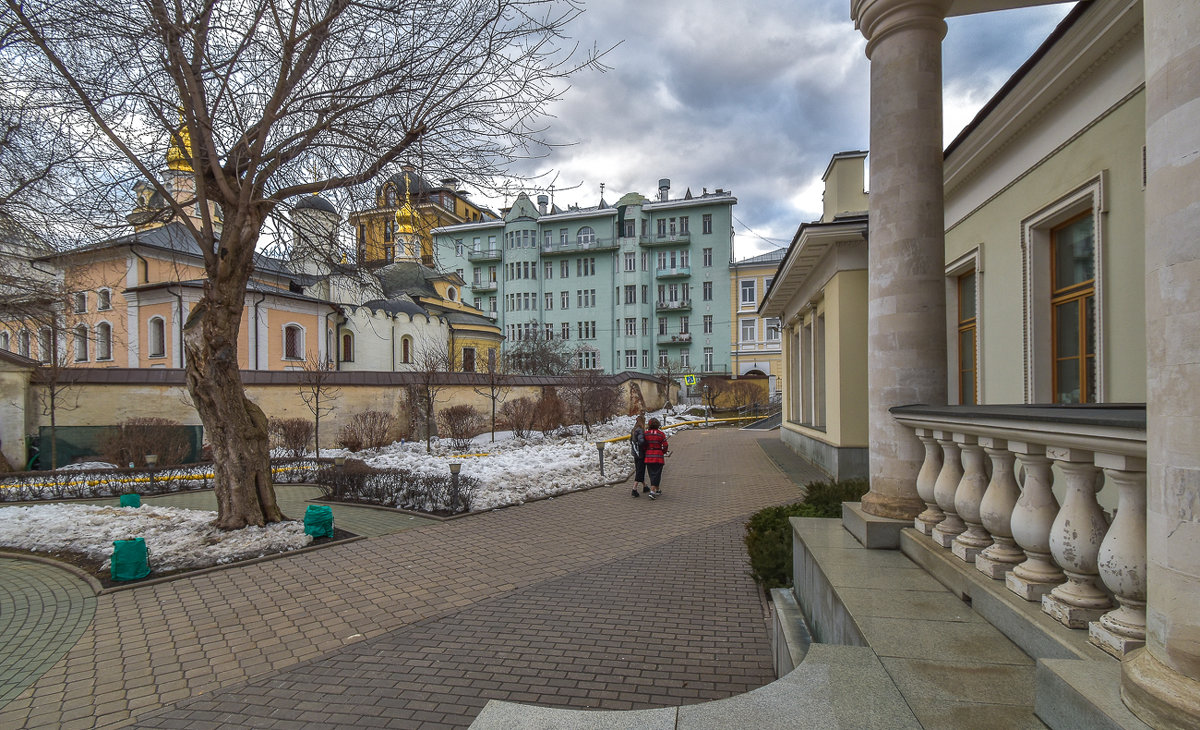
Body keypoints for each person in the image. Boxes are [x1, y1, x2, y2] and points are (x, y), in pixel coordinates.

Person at [642, 417, 669, 499]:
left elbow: (643, 445)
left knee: (652, 474)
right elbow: (665, 445)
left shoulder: (646, 434)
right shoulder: (661, 434)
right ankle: (652, 491)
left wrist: (645, 450)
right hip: (658, 456)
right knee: (657, 474)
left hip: (649, 456)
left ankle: (657, 489)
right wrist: (663, 451)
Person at [630, 415, 647, 497]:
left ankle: (645, 486)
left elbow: (631, 441)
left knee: (639, 469)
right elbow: (641, 441)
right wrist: (646, 443)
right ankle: (634, 489)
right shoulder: (640, 430)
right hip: (640, 453)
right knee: (640, 470)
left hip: (635, 453)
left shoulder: (634, 430)